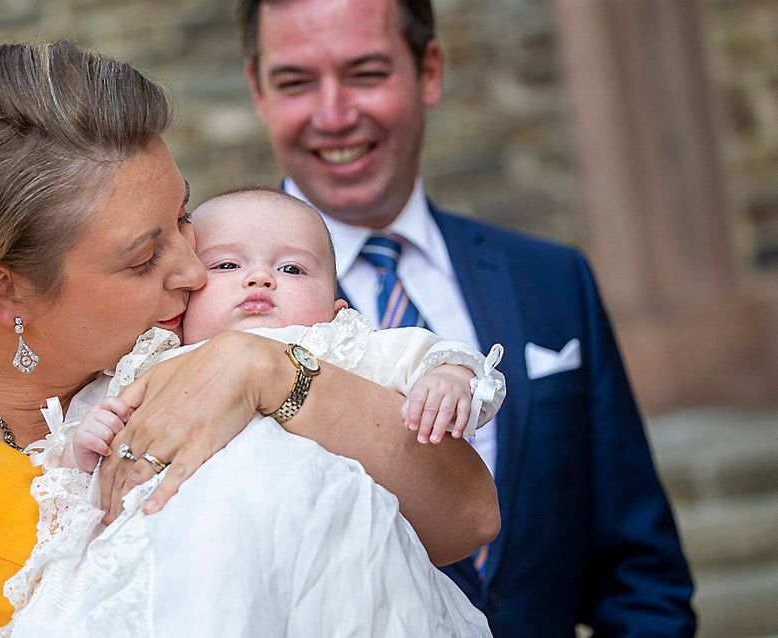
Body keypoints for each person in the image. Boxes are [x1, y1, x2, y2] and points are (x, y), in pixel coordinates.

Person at [0, 41, 498, 636]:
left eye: (182, 218)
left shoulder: (209, 345)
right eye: (141, 258)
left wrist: (270, 373)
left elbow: (468, 517)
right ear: (7, 291)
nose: (193, 269)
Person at [235, 0, 696, 635]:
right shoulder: (208, 299)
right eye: (295, 82)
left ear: (428, 71)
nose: (334, 114)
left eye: (366, 73)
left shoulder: (553, 281)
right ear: (258, 91)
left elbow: (640, 574)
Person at [0, 188, 504, 636]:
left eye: (292, 269)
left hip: (335, 567)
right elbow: (72, 474)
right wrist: (86, 444)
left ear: (336, 308)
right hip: (185, 567)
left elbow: (427, 355)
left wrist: (448, 379)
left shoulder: (335, 346)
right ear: (180, 306)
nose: (260, 278)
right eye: (225, 266)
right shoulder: (150, 361)